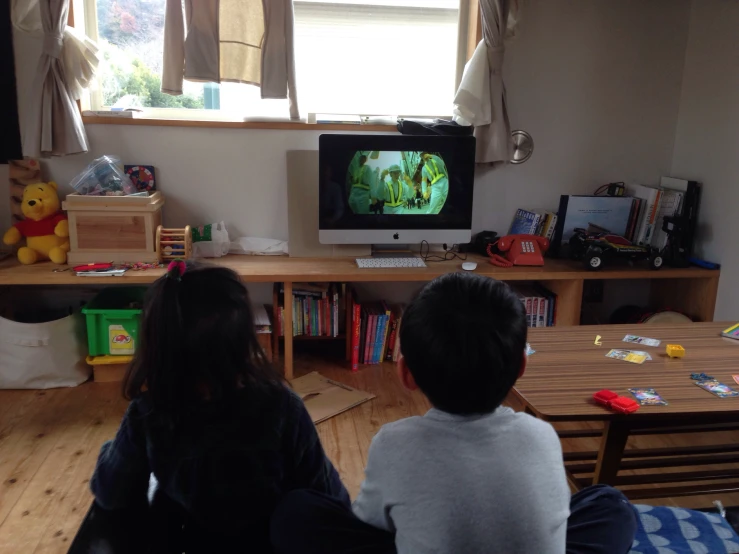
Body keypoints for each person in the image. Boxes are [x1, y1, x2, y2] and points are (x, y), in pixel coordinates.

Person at [271, 273, 637, 554]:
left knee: (297, 512)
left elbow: (370, 523)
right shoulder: (541, 434)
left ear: (405, 373)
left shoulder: (395, 443)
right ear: (521, 367)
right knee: (611, 505)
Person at [90, 262, 349, 552]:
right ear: (243, 343)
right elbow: (329, 497)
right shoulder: (282, 407)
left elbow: (110, 493)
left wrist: (109, 451)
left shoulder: (148, 412)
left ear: (156, 345)